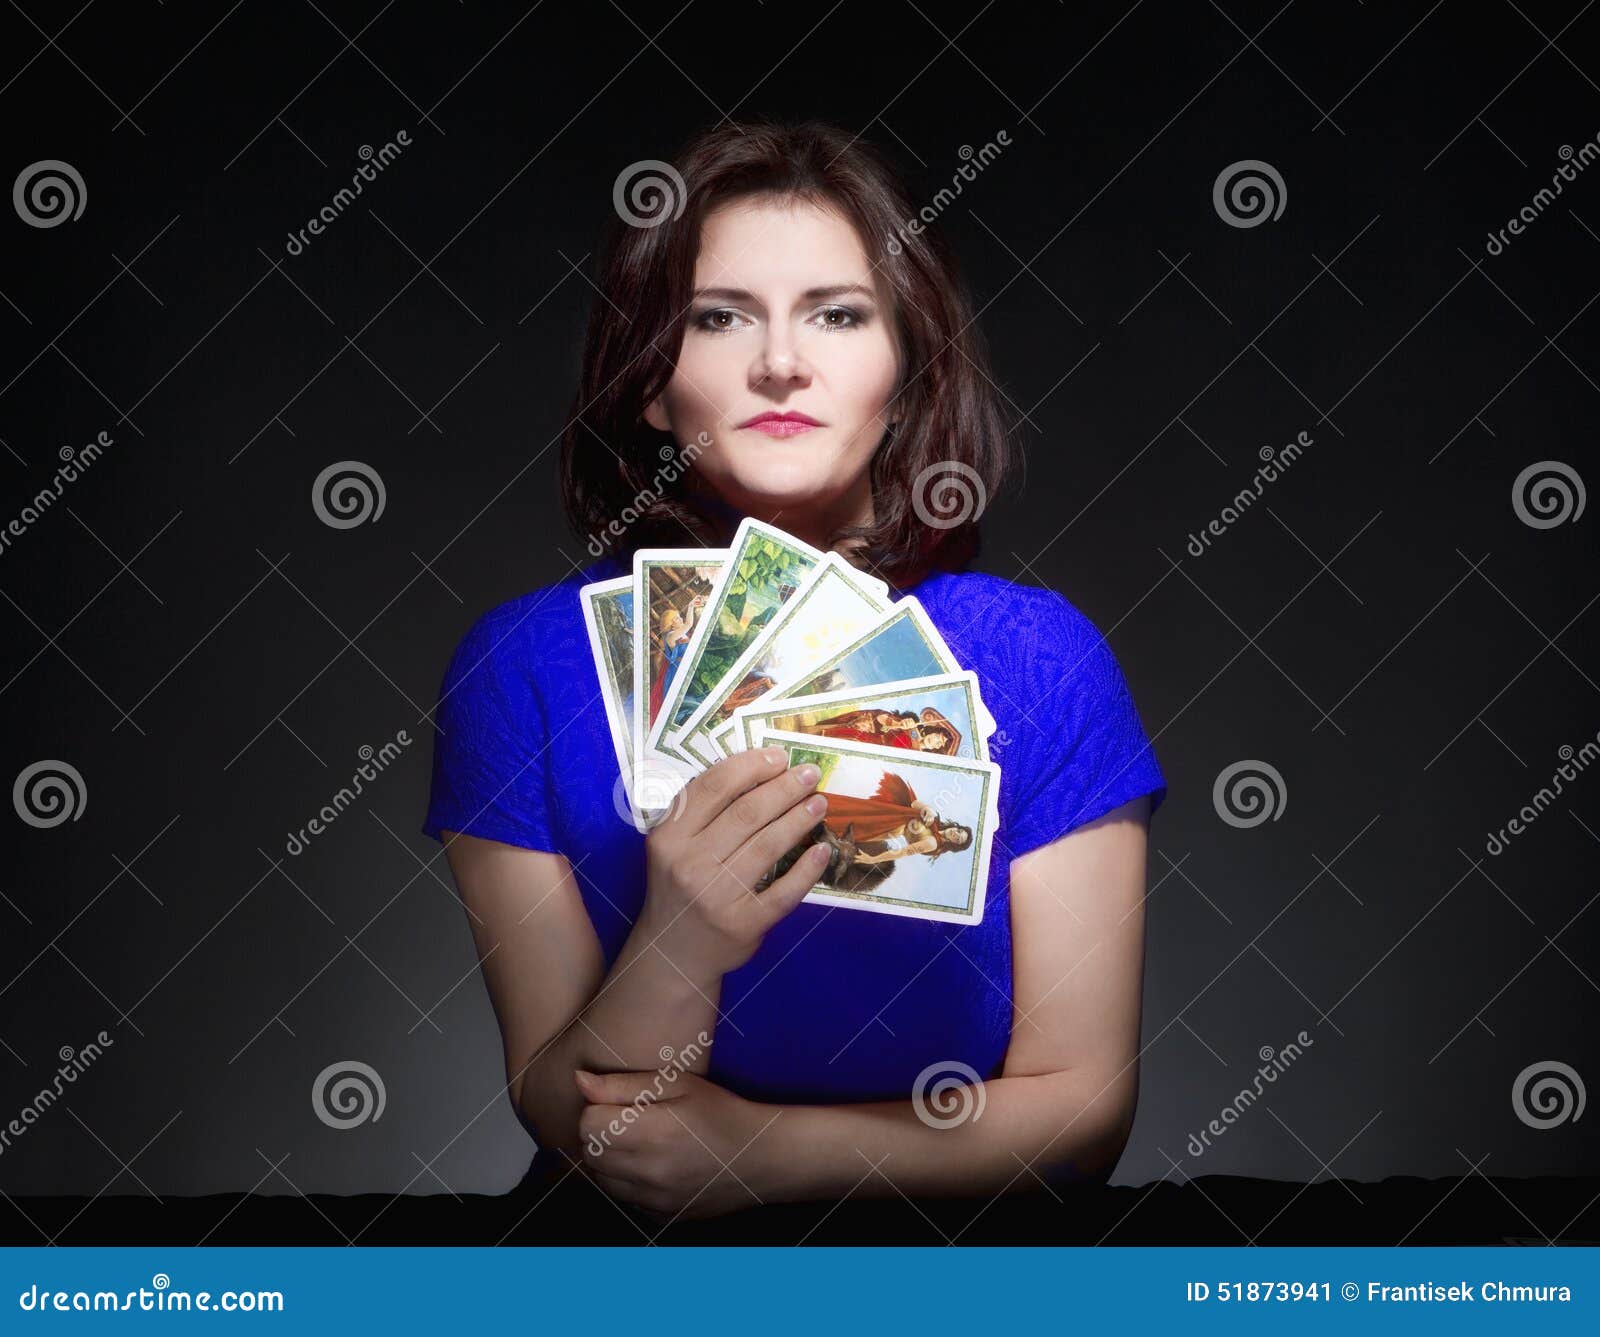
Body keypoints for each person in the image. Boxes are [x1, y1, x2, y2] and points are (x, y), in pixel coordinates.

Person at [421, 119, 1168, 1226]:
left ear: (906, 369)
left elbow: (1082, 1102)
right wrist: (682, 929)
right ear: (647, 385)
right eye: (718, 317)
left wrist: (770, 1155)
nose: (780, 360)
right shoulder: (521, 665)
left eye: (838, 312)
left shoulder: (1039, 659)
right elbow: (567, 1111)